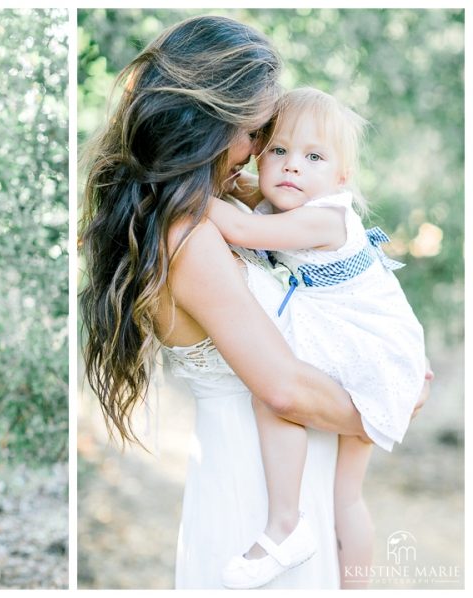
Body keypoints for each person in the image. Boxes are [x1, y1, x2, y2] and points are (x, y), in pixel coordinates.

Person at [79, 15, 431, 589]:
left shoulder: (209, 212)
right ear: (209, 122)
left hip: (287, 479)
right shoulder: (186, 232)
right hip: (252, 491)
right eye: (256, 132)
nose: (259, 150)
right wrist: (393, 403)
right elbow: (282, 387)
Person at [207, 87, 426, 588]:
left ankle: (284, 524)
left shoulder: (323, 218)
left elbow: (239, 231)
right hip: (374, 345)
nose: (292, 168)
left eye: (313, 157)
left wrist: (177, 191)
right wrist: (238, 185)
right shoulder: (279, 204)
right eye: (279, 151)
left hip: (368, 348)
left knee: (276, 391)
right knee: (345, 495)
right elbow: (244, 204)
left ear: (339, 178)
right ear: (260, 157)